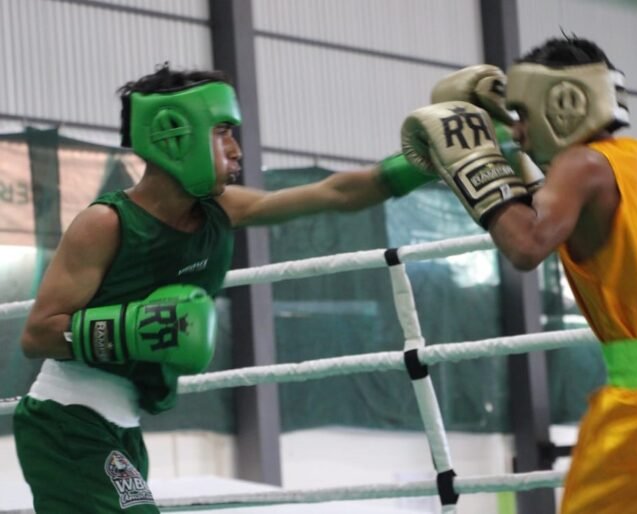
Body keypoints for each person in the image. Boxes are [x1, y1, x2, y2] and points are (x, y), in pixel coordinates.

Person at [13, 63, 535, 513]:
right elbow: (38, 334)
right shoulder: (105, 223)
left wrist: (420, 164)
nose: (237, 149)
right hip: (66, 421)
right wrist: (131, 331)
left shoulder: (222, 210)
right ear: (176, 133)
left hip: (119, 423)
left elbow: (334, 192)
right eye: (223, 131)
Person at [401, 36, 637, 513]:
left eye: (523, 116)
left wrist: (472, 160)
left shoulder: (580, 164)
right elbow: (555, 208)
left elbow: (527, 244)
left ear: (564, 104)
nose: (517, 133)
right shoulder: (635, 158)